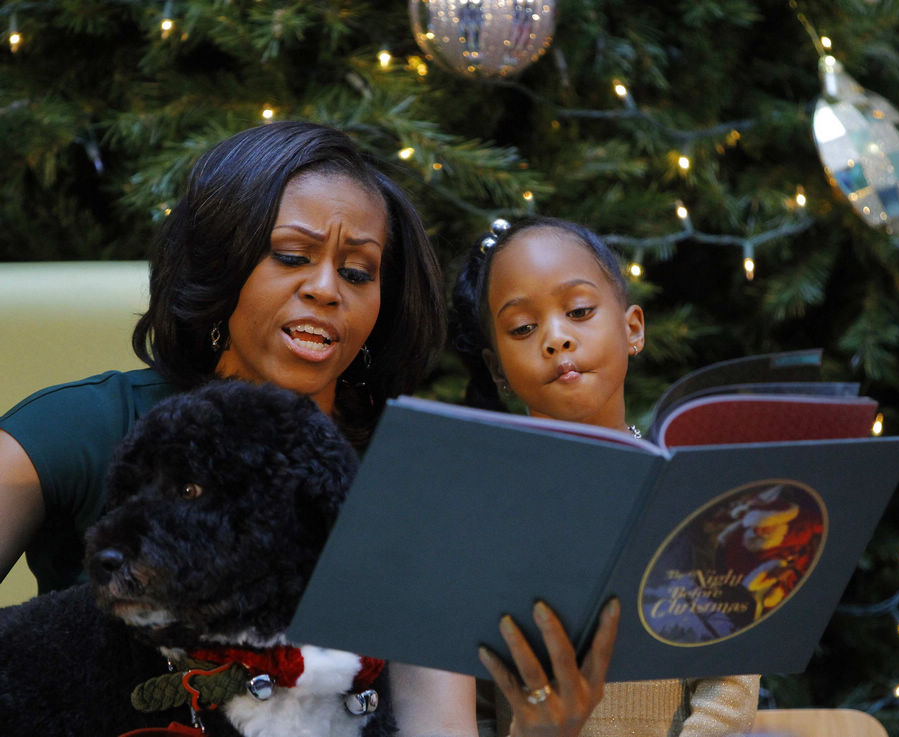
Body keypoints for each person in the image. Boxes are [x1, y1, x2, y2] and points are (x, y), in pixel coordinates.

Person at [0, 122, 615, 737]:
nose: (325, 289)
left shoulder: (404, 474)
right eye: (292, 257)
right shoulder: (79, 428)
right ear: (223, 261)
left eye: (358, 272)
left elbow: (437, 727)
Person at [450, 215, 760, 737]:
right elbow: (474, 699)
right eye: (523, 328)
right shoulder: (487, 515)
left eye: (578, 311)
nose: (555, 338)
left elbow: (728, 682)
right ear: (497, 367)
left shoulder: (682, 492)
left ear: (632, 327)